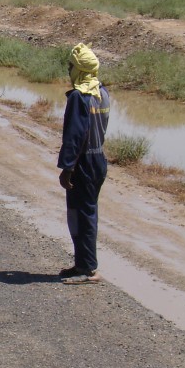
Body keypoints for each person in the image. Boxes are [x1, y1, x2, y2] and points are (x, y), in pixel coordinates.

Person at [57, 43, 111, 284]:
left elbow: (75, 135)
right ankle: (82, 263)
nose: (69, 70)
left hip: (84, 163)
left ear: (78, 69)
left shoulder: (80, 97)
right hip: (98, 158)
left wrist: (67, 167)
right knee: (85, 212)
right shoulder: (102, 92)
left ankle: (88, 269)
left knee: (82, 214)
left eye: (71, 66)